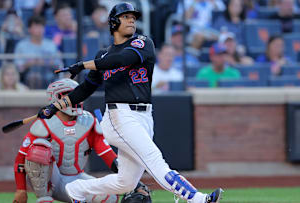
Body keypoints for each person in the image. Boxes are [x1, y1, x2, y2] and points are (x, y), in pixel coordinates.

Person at [38, 3, 223, 203]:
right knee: (154, 160)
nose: (131, 20)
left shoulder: (143, 43)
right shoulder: (102, 55)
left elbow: (121, 60)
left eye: (133, 17)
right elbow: (85, 89)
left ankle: (76, 189)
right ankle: (197, 198)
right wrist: (54, 106)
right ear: (114, 22)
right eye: (126, 17)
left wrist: (83, 64)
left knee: (125, 183)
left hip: (144, 116)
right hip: (119, 117)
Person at [13, 78, 150, 203]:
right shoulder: (43, 124)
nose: (75, 99)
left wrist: (132, 181)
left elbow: (108, 155)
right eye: (68, 95)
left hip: (76, 178)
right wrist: (21, 190)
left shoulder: (88, 121)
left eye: (77, 94)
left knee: (111, 198)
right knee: (38, 148)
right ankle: (44, 199)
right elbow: (21, 158)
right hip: (50, 182)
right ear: (55, 98)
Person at [14, 15, 62, 89]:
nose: (39, 29)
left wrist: (45, 62)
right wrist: (29, 63)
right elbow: (18, 66)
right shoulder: (21, 45)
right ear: (29, 29)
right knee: (34, 76)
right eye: (36, 26)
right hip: (28, 74)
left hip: (48, 73)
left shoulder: (51, 44)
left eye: (41, 26)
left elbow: (58, 64)